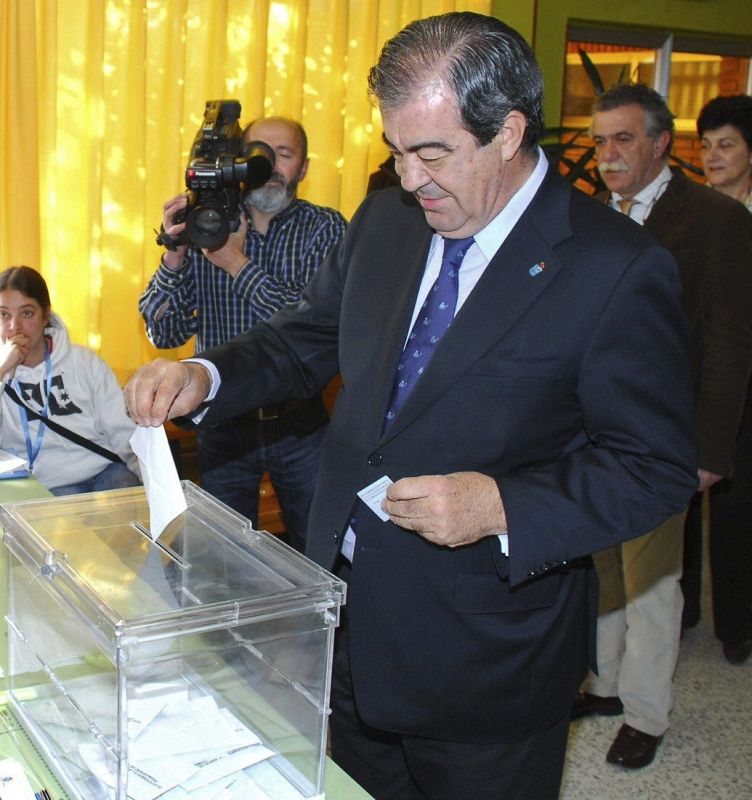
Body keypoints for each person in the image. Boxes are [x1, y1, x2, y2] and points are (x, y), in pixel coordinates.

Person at [125, 14, 698, 800]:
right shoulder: (387, 223)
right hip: (349, 627)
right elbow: (306, 341)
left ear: (509, 131)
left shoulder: (615, 268)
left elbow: (654, 468)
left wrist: (504, 505)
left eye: (433, 152)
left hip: (487, 659)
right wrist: (205, 374)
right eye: (396, 150)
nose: (411, 177)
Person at [573, 84, 752, 769]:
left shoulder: (715, 220)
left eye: (623, 139)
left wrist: (711, 448)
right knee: (603, 568)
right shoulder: (594, 215)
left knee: (652, 579)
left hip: (663, 434)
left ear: (659, 144)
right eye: (599, 139)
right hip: (591, 431)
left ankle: (646, 712)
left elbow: (734, 341)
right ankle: (605, 684)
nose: (608, 153)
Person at [139, 116, 346, 552]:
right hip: (223, 421)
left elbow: (313, 332)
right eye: (256, 155)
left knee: (320, 547)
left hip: (300, 424)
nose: (267, 166)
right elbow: (163, 329)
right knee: (222, 558)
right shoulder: (208, 224)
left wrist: (235, 262)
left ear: (304, 168)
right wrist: (175, 255)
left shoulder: (325, 228)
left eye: (283, 155)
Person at [691, 94, 752, 664]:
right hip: (697, 375)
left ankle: (737, 623)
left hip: (744, 379)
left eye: (726, 145)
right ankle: (684, 611)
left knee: (736, 510)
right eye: (705, 145)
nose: (713, 156)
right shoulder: (697, 212)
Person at [0, 266, 140, 495]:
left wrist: (156, 486)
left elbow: (123, 431)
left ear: (46, 316)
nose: (14, 326)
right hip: (47, 483)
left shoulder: (84, 362)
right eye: (4, 314)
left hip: (104, 468)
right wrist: (3, 368)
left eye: (27, 313)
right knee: (66, 522)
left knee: (122, 505)